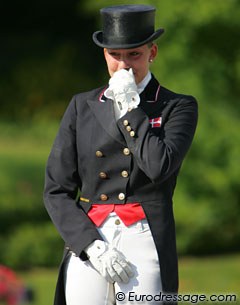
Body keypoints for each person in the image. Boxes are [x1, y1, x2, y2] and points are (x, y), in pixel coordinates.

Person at [43, 4, 198, 305]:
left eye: (134, 55)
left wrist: (129, 108)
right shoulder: (81, 106)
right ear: (104, 54)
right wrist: (90, 245)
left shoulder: (177, 106)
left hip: (145, 233)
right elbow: (56, 189)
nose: (124, 65)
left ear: (152, 53)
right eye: (115, 55)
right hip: (91, 237)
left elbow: (158, 165)